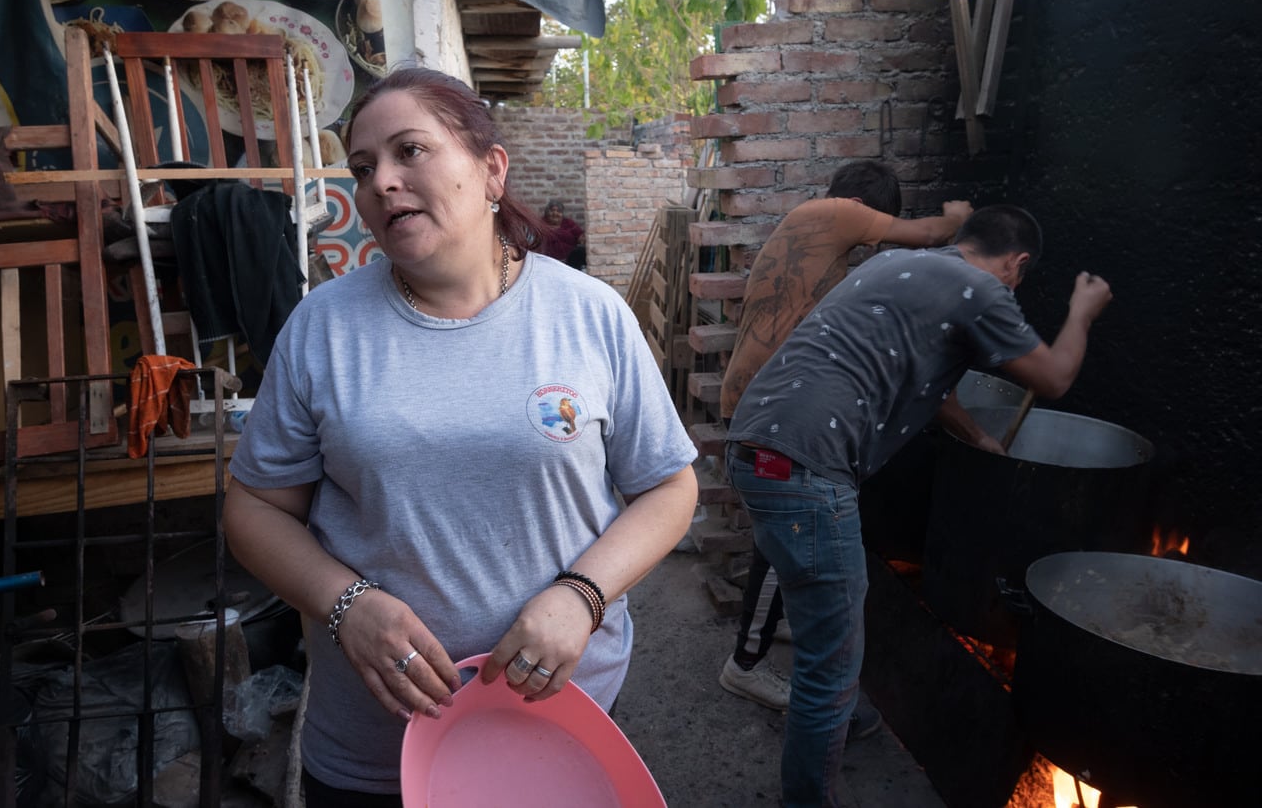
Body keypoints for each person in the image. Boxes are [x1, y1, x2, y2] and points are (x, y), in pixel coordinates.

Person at [222, 67, 699, 806]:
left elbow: (669, 486)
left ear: (491, 170)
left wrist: (582, 595)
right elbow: (253, 510)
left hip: (556, 725)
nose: (382, 181)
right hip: (374, 748)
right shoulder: (323, 328)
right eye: (363, 167)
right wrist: (346, 603)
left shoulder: (590, 315)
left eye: (411, 150)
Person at [725, 204, 1112, 807]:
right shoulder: (982, 288)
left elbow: (928, 385)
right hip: (809, 466)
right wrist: (1081, 311)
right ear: (1018, 263)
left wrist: (977, 437)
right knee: (831, 660)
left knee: (825, 616)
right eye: (1019, 278)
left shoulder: (900, 266)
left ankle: (841, 717)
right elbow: (1056, 378)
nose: (1012, 288)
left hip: (757, 446)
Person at [717, 161, 974, 718]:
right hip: (770, 421)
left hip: (766, 407)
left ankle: (766, 633)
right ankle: (746, 666)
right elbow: (930, 235)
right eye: (878, 223)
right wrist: (960, 218)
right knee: (774, 543)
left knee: (784, 537)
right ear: (865, 208)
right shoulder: (835, 214)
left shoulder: (815, 241)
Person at [541, 198, 587, 269]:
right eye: (552, 210)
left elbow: (580, 236)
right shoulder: (540, 224)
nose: (555, 213)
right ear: (546, 212)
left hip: (569, 261)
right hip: (548, 261)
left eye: (558, 211)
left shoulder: (568, 223)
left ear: (562, 214)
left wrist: (583, 238)